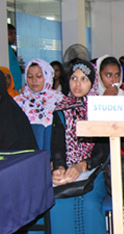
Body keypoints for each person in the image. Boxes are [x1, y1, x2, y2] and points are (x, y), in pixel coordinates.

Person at [50, 60, 109, 234]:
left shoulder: (100, 109)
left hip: (95, 170)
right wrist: (60, 168)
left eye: (84, 79)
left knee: (89, 204)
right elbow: (57, 146)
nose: (77, 84)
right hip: (68, 169)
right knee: (55, 202)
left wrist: (82, 165)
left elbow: (102, 150)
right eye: (74, 78)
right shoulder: (61, 109)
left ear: (92, 83)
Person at [14, 59, 63, 151]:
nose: (34, 80)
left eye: (39, 76)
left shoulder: (59, 99)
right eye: (29, 76)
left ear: (47, 76)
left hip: (54, 151)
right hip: (24, 151)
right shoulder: (18, 101)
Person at [7, 24, 23, 91]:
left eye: (14, 33)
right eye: (10, 34)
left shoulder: (11, 49)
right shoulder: (5, 49)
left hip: (16, 89)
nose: (14, 36)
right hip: (10, 88)